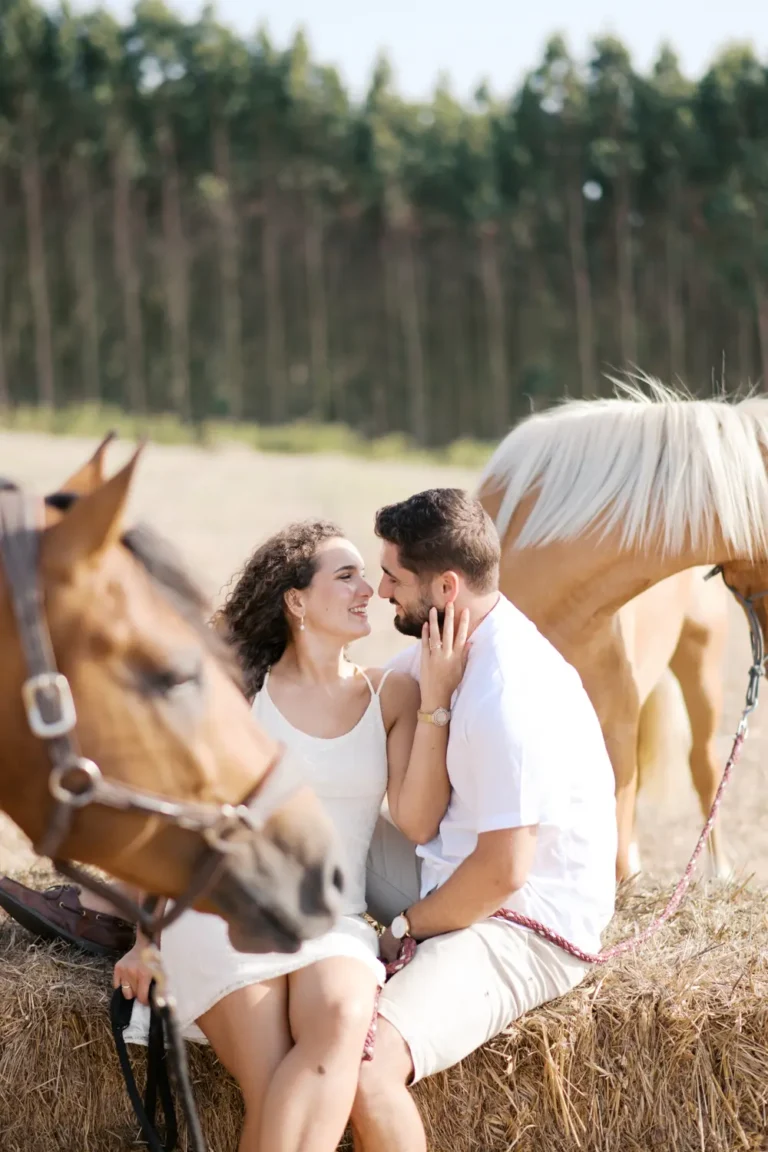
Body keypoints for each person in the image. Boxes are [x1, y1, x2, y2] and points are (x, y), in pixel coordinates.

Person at [0, 518, 468, 1152]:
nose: (370, 590)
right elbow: (171, 812)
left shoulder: (394, 692)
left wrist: (436, 700)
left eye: (367, 574)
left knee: (338, 1025)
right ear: (296, 600)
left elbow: (416, 820)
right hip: (219, 910)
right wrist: (146, 937)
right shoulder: (239, 694)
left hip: (333, 919)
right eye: (347, 575)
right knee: (276, 1078)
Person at [351, 488, 617, 1152]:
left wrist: (406, 928)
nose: (380, 590)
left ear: (445, 585)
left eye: (393, 578)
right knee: (301, 821)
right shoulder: (447, 641)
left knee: (363, 1067)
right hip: (445, 869)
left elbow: (503, 872)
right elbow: (354, 698)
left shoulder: (509, 693)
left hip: (522, 922)